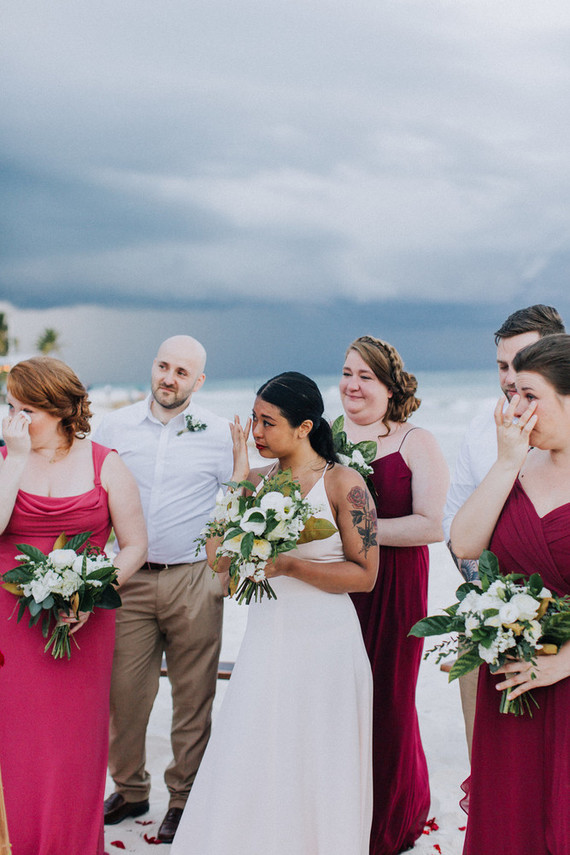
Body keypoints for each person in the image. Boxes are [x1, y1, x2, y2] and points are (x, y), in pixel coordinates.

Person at [172, 371, 378, 855]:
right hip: (268, 639)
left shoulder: (344, 484)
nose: (257, 432)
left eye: (267, 423)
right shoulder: (257, 482)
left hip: (327, 640)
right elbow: (218, 559)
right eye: (253, 419)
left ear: (304, 427)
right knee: (255, 746)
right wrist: (240, 474)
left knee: (319, 755)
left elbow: (365, 576)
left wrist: (288, 564)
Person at [0, 356, 147, 855]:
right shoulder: (5, 457)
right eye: (10, 406)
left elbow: (134, 547)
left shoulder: (107, 462)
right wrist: (15, 456)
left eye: (25, 409)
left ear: (58, 409)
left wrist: (91, 592)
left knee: (72, 747)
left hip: (81, 621)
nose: (14, 419)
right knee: (15, 742)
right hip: (9, 623)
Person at [95, 335, 233, 843]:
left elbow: (236, 497)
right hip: (128, 580)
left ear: (198, 382)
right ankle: (130, 789)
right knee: (125, 693)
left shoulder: (219, 433)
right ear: (152, 367)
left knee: (193, 696)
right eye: (163, 366)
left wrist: (223, 571)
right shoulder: (115, 425)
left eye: (182, 372)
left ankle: (183, 797)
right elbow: (98, 494)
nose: (169, 378)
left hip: (194, 579)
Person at [450, 334, 570, 855]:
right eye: (511, 394)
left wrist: (561, 664)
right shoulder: (516, 471)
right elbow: (464, 542)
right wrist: (504, 464)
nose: (513, 408)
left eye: (529, 395)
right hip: (510, 685)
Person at [340, 335, 448, 855]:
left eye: (365, 377)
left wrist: (356, 528)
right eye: (346, 374)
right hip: (339, 590)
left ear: (389, 386)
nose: (352, 386)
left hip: (396, 587)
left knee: (389, 698)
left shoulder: (414, 441)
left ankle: (389, 817)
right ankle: (340, 808)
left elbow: (431, 525)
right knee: (340, 700)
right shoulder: (327, 440)